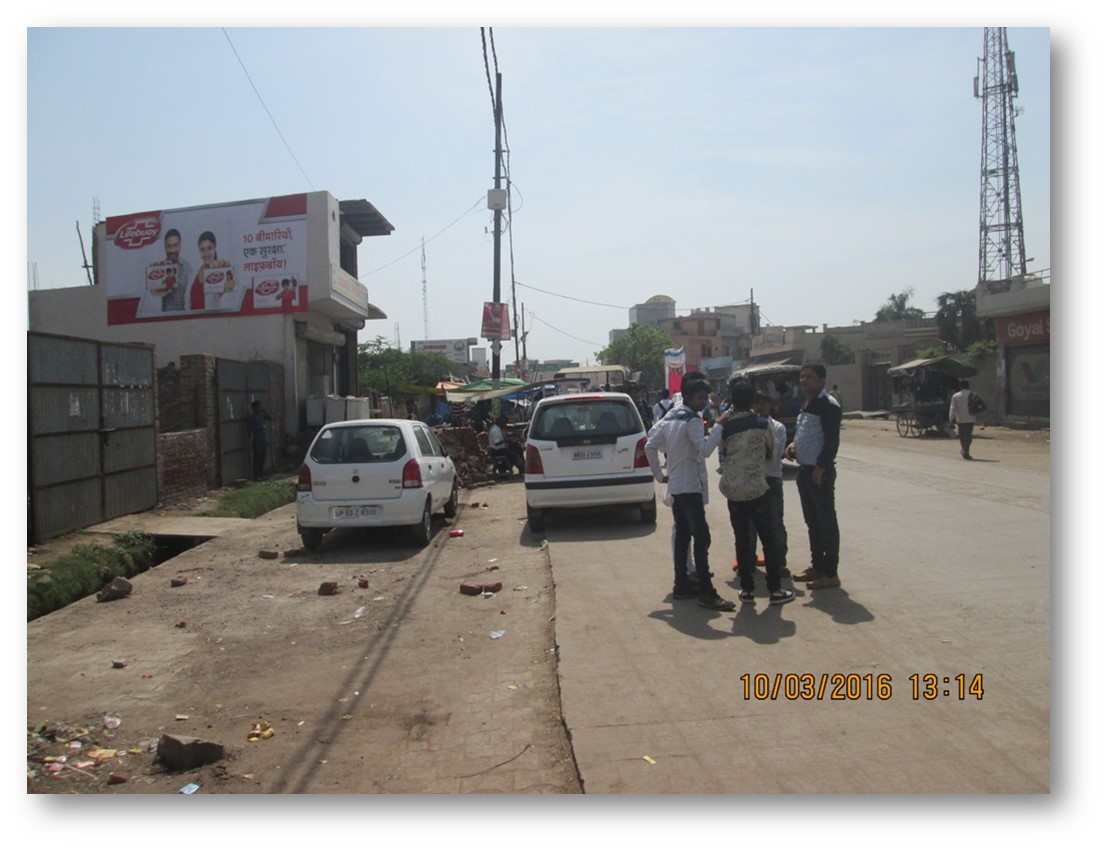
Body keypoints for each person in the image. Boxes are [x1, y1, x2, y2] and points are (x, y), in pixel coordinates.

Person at [645, 377, 735, 610]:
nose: (704, 403)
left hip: (677, 485)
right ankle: (706, 590)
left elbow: (649, 444)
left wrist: (659, 474)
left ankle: (682, 584)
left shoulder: (671, 417)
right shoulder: (692, 419)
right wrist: (719, 425)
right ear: (688, 397)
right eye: (700, 398)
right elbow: (705, 450)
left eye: (706, 398)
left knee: (684, 537)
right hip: (690, 487)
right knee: (701, 537)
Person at [718, 379, 794, 605]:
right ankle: (775, 590)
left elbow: (722, 454)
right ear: (752, 401)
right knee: (767, 538)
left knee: (741, 538)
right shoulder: (763, 424)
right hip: (757, 489)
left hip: (733, 491)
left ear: (732, 401)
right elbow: (771, 454)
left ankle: (747, 590)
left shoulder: (726, 425)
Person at [784, 363, 842, 590]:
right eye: (802, 376)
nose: (804, 380)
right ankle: (817, 566)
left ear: (822, 380)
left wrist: (820, 469)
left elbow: (831, 441)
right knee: (812, 522)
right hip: (804, 470)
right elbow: (806, 432)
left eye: (809, 377)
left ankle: (830, 572)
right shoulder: (807, 403)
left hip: (819, 473)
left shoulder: (829, 405)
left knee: (826, 522)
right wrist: (793, 445)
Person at [750, 390, 790, 578]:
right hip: (751, 481)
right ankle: (748, 561)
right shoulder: (747, 427)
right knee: (750, 525)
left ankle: (779, 562)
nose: (759, 406)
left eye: (763, 403)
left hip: (771, 480)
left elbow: (774, 456)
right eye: (756, 403)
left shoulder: (778, 428)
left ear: (770, 405)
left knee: (775, 524)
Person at [149, 228, 193, 312]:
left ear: (180, 245)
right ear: (165, 247)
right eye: (169, 246)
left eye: (175, 245)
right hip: (166, 319)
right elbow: (152, 296)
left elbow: (191, 295)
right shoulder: (159, 269)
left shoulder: (187, 267)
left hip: (185, 318)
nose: (172, 250)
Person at [188, 230, 232, 311]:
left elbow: (228, 291)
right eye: (202, 249)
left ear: (215, 248)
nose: (206, 253)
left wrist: (227, 273)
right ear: (199, 251)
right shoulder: (193, 275)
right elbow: (187, 302)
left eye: (209, 248)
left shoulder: (221, 271)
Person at [948, 380, 979, 460]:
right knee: (968, 435)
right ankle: (966, 450)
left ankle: (964, 450)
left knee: (962, 436)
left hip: (960, 419)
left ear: (960, 386)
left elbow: (953, 408)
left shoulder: (955, 396)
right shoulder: (972, 395)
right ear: (968, 386)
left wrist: (951, 419)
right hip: (970, 418)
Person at [246, 400, 272, 480]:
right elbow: (249, 429)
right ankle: (257, 475)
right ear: (254, 408)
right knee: (257, 457)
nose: (260, 408)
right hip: (256, 439)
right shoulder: (252, 417)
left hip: (262, 439)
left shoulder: (262, 415)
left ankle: (261, 474)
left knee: (263, 457)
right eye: (258, 406)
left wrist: (264, 411)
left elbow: (270, 418)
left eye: (260, 406)